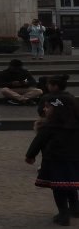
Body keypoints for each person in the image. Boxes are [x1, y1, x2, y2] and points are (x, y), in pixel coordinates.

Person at [25, 95, 79, 226]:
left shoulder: (49, 126)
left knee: (59, 188)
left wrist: (30, 155)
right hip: (74, 161)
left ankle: (63, 214)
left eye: (48, 107)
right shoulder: (76, 125)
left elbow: (38, 142)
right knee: (71, 185)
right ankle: (75, 208)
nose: (44, 109)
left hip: (55, 161)